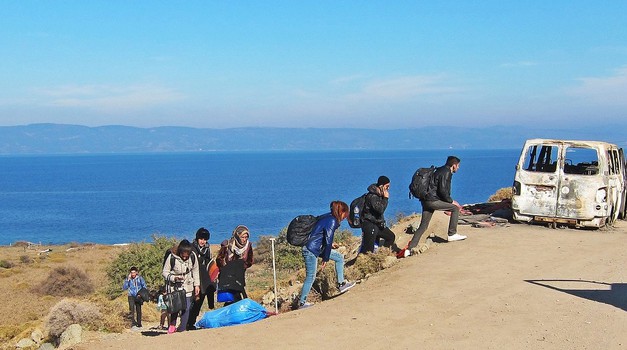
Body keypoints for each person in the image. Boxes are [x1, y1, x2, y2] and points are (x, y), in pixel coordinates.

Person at [298, 201, 356, 309]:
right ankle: (302, 303)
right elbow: (328, 240)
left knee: (339, 258)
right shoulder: (332, 221)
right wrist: (325, 258)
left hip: (316, 248)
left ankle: (341, 284)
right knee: (311, 276)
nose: (345, 217)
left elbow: (321, 236)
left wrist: (329, 247)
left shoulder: (327, 217)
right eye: (345, 214)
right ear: (341, 212)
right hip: (311, 250)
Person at [405, 156, 466, 256]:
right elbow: (442, 191)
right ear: (453, 165)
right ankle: (452, 234)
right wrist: (451, 201)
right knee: (455, 209)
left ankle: (409, 249)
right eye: (458, 166)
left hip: (426, 200)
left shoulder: (439, 170)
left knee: (423, 226)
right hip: (432, 201)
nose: (458, 168)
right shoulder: (446, 172)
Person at [162, 239, 200, 334]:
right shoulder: (172, 257)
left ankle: (182, 328)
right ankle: (172, 325)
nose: (185, 258)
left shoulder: (193, 256)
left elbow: (195, 271)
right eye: (183, 256)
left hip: (188, 285)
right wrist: (174, 278)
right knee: (176, 307)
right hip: (175, 286)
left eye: (186, 256)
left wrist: (197, 285)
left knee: (186, 307)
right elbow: (165, 272)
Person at [216, 225, 254, 306]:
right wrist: (226, 269)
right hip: (227, 277)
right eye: (242, 237)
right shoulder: (227, 245)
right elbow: (219, 260)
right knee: (231, 297)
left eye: (246, 237)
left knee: (237, 296)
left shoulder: (248, 246)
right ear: (237, 236)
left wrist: (241, 267)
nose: (244, 239)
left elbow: (250, 261)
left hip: (239, 276)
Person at [186, 227, 215, 330]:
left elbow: (208, 263)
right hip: (192, 279)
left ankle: (191, 323)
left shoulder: (207, 249)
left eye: (205, 239)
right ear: (197, 238)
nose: (203, 241)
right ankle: (186, 322)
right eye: (201, 239)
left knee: (199, 302)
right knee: (191, 303)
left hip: (203, 280)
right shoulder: (191, 248)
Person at [359, 175, 397, 254]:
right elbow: (380, 210)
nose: (388, 189)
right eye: (387, 186)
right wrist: (386, 198)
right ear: (381, 186)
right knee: (368, 250)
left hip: (377, 224)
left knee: (390, 237)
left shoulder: (379, 195)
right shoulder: (372, 196)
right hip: (369, 225)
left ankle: (382, 254)